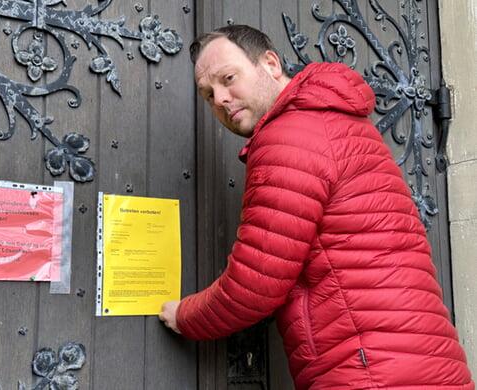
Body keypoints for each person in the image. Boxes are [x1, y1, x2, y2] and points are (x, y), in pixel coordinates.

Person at [159, 24, 474, 389]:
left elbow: (255, 284)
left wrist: (184, 315)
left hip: (369, 371)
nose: (221, 98)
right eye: (208, 94)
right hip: (425, 365)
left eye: (228, 78)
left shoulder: (289, 136)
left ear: (271, 64)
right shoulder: (336, 122)